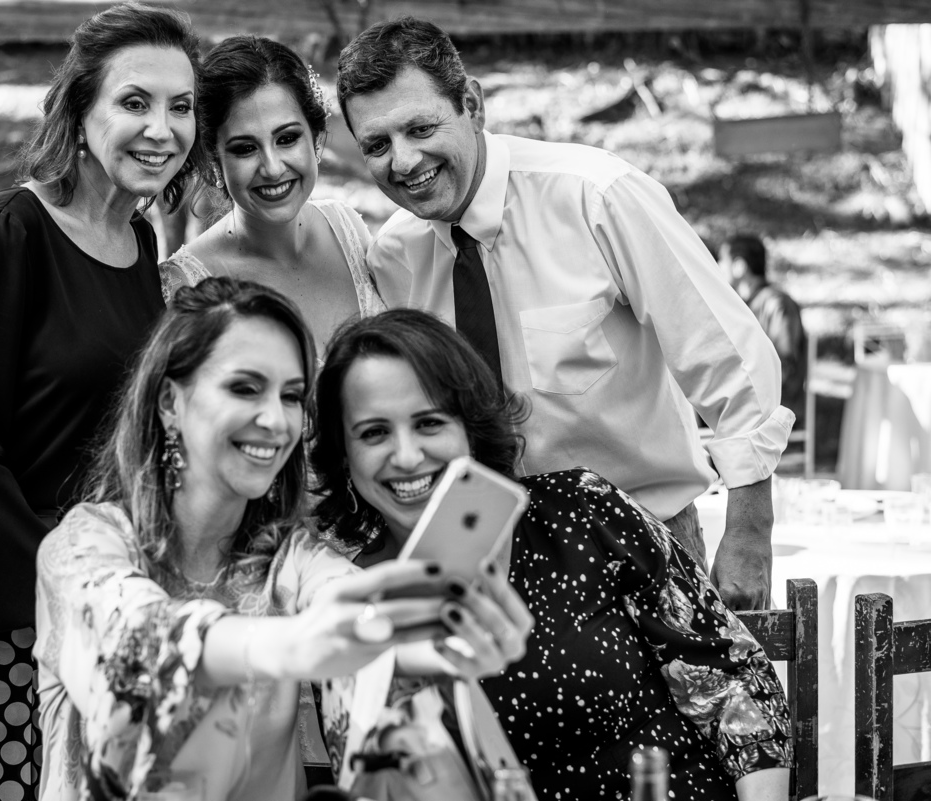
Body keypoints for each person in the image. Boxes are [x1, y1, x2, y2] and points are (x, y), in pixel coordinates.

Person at [336, 18, 794, 610]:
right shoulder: (396, 256)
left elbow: (728, 357)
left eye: (421, 128)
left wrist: (750, 530)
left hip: (638, 543)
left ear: (471, 104)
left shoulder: (597, 196)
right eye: (377, 145)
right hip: (480, 555)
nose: (403, 161)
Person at [34, 277, 531, 801]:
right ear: (169, 401)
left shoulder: (290, 559)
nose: (275, 420)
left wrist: (420, 644)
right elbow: (131, 639)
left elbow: (347, 605)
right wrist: (295, 644)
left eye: (291, 396)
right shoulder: (85, 545)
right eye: (245, 388)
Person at [0, 5, 204, 799]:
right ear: (80, 110)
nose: (162, 128)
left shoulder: (140, 247)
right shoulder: (11, 232)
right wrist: (71, 581)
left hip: (98, 611)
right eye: (135, 102)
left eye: (182, 106)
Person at [309, 309, 792, 801]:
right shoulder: (347, 608)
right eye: (374, 432)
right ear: (343, 454)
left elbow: (732, 676)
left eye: (429, 422)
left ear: (470, 428)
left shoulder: (581, 509)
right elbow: (384, 785)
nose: (407, 455)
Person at [159, 35, 383, 356]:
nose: (273, 168)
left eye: (287, 139)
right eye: (245, 148)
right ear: (213, 162)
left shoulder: (345, 227)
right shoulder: (184, 285)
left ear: (316, 139)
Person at [720, 233, 808, 427]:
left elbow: (786, 366)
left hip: (774, 413)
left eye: (721, 261)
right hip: (750, 408)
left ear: (739, 266)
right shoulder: (742, 306)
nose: (717, 267)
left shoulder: (777, 304)